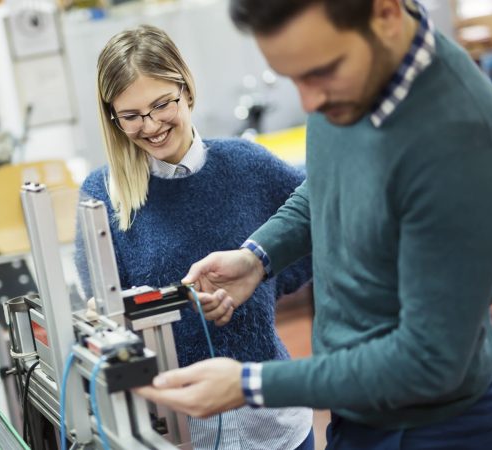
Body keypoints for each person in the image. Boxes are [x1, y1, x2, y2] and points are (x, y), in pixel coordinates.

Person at [136, 1, 492, 449]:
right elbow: (326, 185)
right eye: (294, 79)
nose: (309, 103)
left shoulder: (461, 143)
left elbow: (428, 361)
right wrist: (258, 258)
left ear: (386, 14)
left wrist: (250, 385)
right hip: (356, 412)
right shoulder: (347, 78)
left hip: (435, 429)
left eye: (320, 73)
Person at [75, 25, 314, 450]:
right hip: (180, 430)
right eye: (131, 116)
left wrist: (258, 279)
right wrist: (163, 308)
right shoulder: (102, 195)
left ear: (185, 89)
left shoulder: (247, 164)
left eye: (160, 104)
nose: (150, 125)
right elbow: (104, 310)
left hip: (274, 423)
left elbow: (315, 228)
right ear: (113, 117)